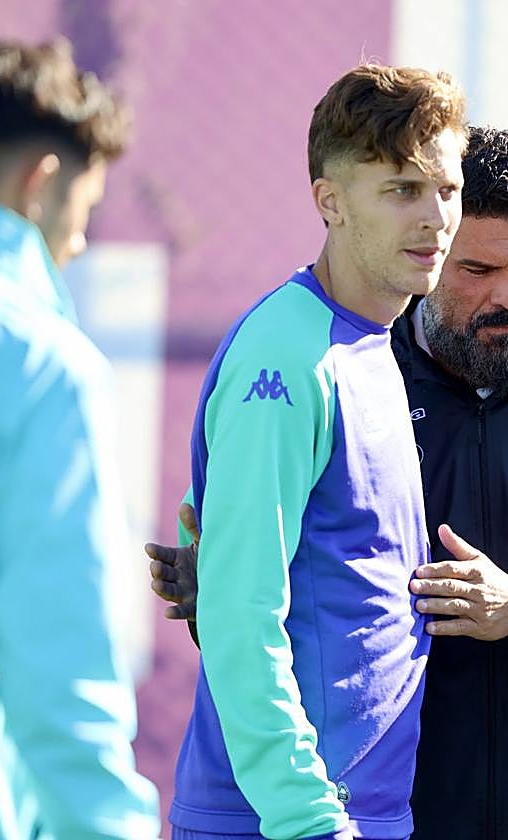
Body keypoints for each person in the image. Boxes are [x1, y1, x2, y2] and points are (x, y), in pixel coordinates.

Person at [151, 127, 508, 839]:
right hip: (409, 820)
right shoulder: (354, 378)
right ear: (430, 252)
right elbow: (300, 616)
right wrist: (221, 595)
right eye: (477, 270)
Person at [163, 65, 467, 840]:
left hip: (360, 816)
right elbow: (240, 612)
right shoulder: (288, 354)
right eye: (402, 189)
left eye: (447, 189)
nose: (435, 218)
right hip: (283, 822)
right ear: (330, 202)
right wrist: (307, 819)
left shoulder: (374, 345)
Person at [0, 39, 160, 839]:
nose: (77, 245)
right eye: (84, 213)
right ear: (39, 185)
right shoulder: (34, 360)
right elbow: (58, 664)